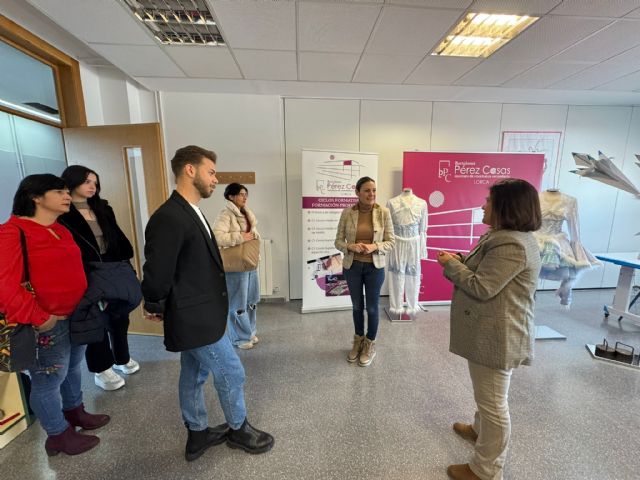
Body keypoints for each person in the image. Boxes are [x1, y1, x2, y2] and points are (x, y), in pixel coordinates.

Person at [141, 145, 274, 461]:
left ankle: (197, 433)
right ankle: (239, 430)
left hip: (203, 310)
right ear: (190, 170)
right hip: (195, 315)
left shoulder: (193, 210)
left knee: (194, 373)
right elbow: (157, 270)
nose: (215, 179)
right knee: (231, 371)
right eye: (211, 171)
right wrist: (155, 304)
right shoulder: (169, 217)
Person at [436, 178, 542, 480]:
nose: (483, 205)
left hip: (498, 336)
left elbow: (481, 287)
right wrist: (460, 261)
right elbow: (484, 271)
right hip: (491, 330)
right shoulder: (500, 235)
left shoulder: (511, 243)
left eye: (489, 201)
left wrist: (451, 265)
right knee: (486, 394)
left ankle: (486, 470)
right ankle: (479, 430)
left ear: (506, 207)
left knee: (493, 403)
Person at [0, 174, 110, 456]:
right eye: (59, 191)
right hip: (46, 323)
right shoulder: (13, 232)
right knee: (48, 381)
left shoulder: (59, 228)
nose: (67, 196)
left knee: (73, 369)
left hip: (76, 316)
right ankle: (57, 434)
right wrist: (39, 318)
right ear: (35, 197)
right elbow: (6, 286)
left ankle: (74, 412)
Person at [59, 165, 140, 391]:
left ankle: (122, 358)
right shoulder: (62, 213)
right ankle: (101, 369)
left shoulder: (103, 208)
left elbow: (117, 240)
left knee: (120, 316)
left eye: (95, 182)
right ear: (72, 182)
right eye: (87, 182)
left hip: (112, 269)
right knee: (96, 319)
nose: (92, 186)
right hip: (86, 273)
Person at [334, 176, 395, 367]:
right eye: (367, 190)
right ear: (357, 193)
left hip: (374, 268)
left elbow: (391, 241)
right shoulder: (347, 213)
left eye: (374, 190)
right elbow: (338, 241)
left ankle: (370, 344)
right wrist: (350, 247)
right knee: (357, 307)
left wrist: (374, 246)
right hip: (352, 267)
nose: (372, 194)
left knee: (372, 308)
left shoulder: (383, 212)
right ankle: (358, 341)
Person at [213, 183, 261, 350]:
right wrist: (241, 236)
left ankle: (249, 332)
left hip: (250, 264)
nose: (244, 197)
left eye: (245, 194)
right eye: (241, 194)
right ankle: (239, 338)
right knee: (237, 305)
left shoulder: (247, 213)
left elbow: (252, 236)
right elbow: (217, 238)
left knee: (252, 301)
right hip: (235, 266)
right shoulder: (225, 215)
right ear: (231, 196)